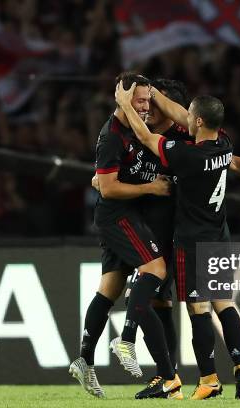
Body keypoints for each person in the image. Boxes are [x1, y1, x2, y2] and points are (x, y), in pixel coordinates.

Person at [115, 81, 240, 400]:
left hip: (193, 239)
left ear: (197, 121)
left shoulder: (187, 154)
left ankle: (209, 379)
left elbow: (146, 137)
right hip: (219, 234)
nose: (184, 118)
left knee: (198, 309)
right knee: (224, 303)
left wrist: (125, 104)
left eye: (191, 116)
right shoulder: (223, 145)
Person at [69, 72, 181, 400]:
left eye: (150, 100)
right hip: (118, 217)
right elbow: (108, 187)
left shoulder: (134, 128)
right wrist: (152, 187)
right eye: (141, 100)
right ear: (122, 98)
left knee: (110, 288)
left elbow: (104, 179)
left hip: (121, 214)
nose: (146, 106)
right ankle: (127, 340)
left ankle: (84, 361)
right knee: (155, 269)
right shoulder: (112, 135)